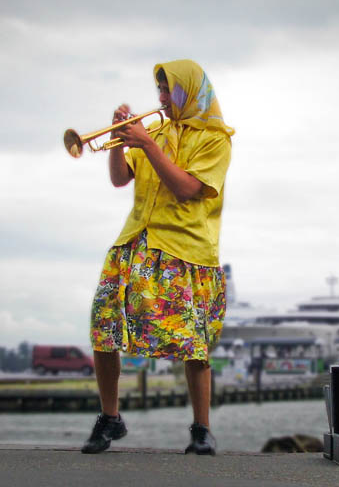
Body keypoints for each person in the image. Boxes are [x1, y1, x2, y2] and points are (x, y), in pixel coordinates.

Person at [82, 59, 233, 455]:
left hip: (185, 249)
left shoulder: (216, 139)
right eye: (160, 92)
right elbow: (119, 178)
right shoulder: (157, 131)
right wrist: (117, 140)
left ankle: (202, 428)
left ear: (190, 91)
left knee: (192, 343)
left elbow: (186, 188)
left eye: (170, 91)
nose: (163, 99)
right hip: (135, 241)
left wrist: (146, 144)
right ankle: (110, 418)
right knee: (103, 325)